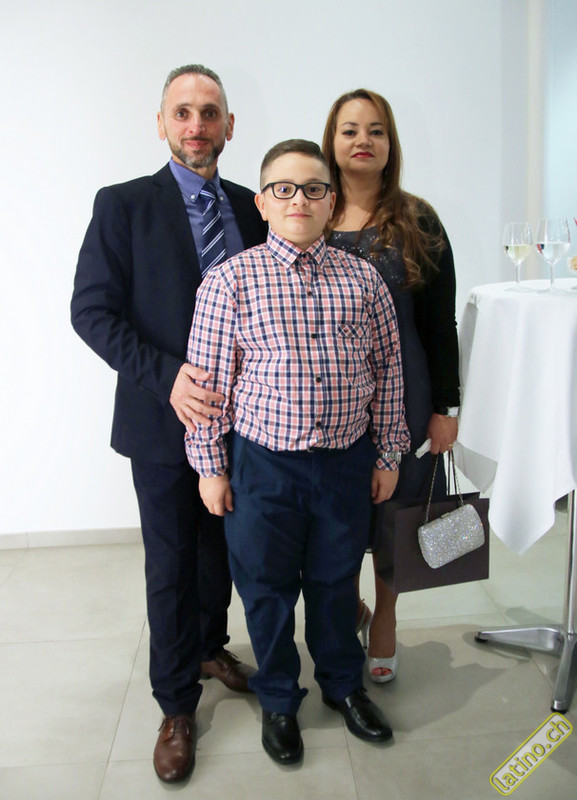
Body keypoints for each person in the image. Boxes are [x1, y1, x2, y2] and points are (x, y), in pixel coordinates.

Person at [70, 64, 268, 784]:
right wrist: (168, 378)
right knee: (171, 562)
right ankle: (176, 704)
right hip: (162, 421)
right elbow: (91, 311)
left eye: (209, 112)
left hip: (246, 422)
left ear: (229, 126)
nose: (195, 125)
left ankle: (211, 646)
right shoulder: (122, 205)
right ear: (161, 124)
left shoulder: (254, 207)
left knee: (224, 552)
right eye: (181, 112)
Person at [184, 139, 410, 765]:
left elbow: (388, 372)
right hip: (262, 466)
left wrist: (388, 455)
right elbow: (209, 386)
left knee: (336, 581)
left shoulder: (363, 279)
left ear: (331, 202)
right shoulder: (229, 281)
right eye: (283, 189)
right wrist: (210, 467)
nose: (298, 200)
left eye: (313, 189)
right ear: (262, 203)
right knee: (266, 587)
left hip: (344, 461)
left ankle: (343, 685)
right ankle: (280, 697)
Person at [322, 89, 460, 683]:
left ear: (390, 143)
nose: (363, 140)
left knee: (395, 514)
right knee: (334, 516)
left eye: (375, 130)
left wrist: (447, 406)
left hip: (406, 396)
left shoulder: (418, 220)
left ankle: (385, 616)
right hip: (331, 399)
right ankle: (347, 606)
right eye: (350, 129)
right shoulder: (310, 210)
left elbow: (439, 324)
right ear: (331, 141)